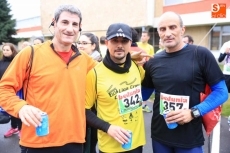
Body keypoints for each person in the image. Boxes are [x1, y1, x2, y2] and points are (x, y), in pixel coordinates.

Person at [0, 4, 97, 153]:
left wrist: (135, 61)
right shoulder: (30, 54)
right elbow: (4, 88)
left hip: (74, 141)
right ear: (54, 23)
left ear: (79, 28)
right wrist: (20, 107)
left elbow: (108, 74)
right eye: (64, 22)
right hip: (37, 141)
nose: (70, 29)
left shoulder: (85, 60)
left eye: (74, 24)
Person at [141, 11, 228, 153]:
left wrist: (193, 112)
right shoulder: (154, 61)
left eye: (172, 27)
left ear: (182, 30)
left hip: (189, 138)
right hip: (160, 135)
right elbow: (143, 95)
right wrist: (130, 67)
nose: (168, 33)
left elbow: (222, 92)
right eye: (163, 29)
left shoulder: (201, 54)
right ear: (159, 33)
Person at [85, 23, 146, 153]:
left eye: (124, 41)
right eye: (114, 41)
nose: (119, 45)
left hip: (136, 142)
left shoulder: (137, 67)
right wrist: (108, 127)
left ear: (130, 43)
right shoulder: (94, 74)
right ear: (107, 43)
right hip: (110, 146)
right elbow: (84, 110)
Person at [0, 43, 22, 139]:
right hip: (4, 89)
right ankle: (13, 127)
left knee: (18, 110)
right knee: (9, 110)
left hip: (17, 90)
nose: (5, 52)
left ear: (12, 51)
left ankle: (21, 129)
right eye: (4, 50)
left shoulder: (17, 61)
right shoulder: (1, 62)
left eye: (7, 50)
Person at [137, 30, 154, 113]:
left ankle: (143, 105)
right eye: (142, 35)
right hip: (137, 68)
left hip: (146, 69)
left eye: (144, 36)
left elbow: (151, 59)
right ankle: (137, 105)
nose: (142, 37)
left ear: (148, 37)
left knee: (145, 88)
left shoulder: (150, 47)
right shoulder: (137, 44)